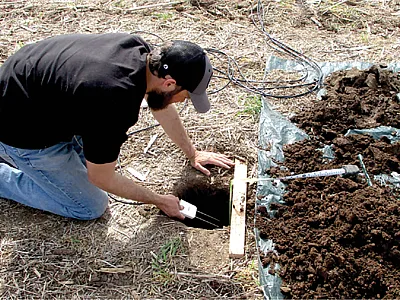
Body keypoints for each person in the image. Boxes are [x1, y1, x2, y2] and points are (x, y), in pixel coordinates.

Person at [0, 33, 234, 221]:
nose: (183, 101)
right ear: (170, 83)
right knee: (89, 205)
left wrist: (192, 153)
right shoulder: (112, 101)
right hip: (17, 127)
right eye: (185, 96)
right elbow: (102, 177)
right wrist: (158, 200)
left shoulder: (140, 51)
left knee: (86, 156)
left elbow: (160, 106)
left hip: (32, 92)